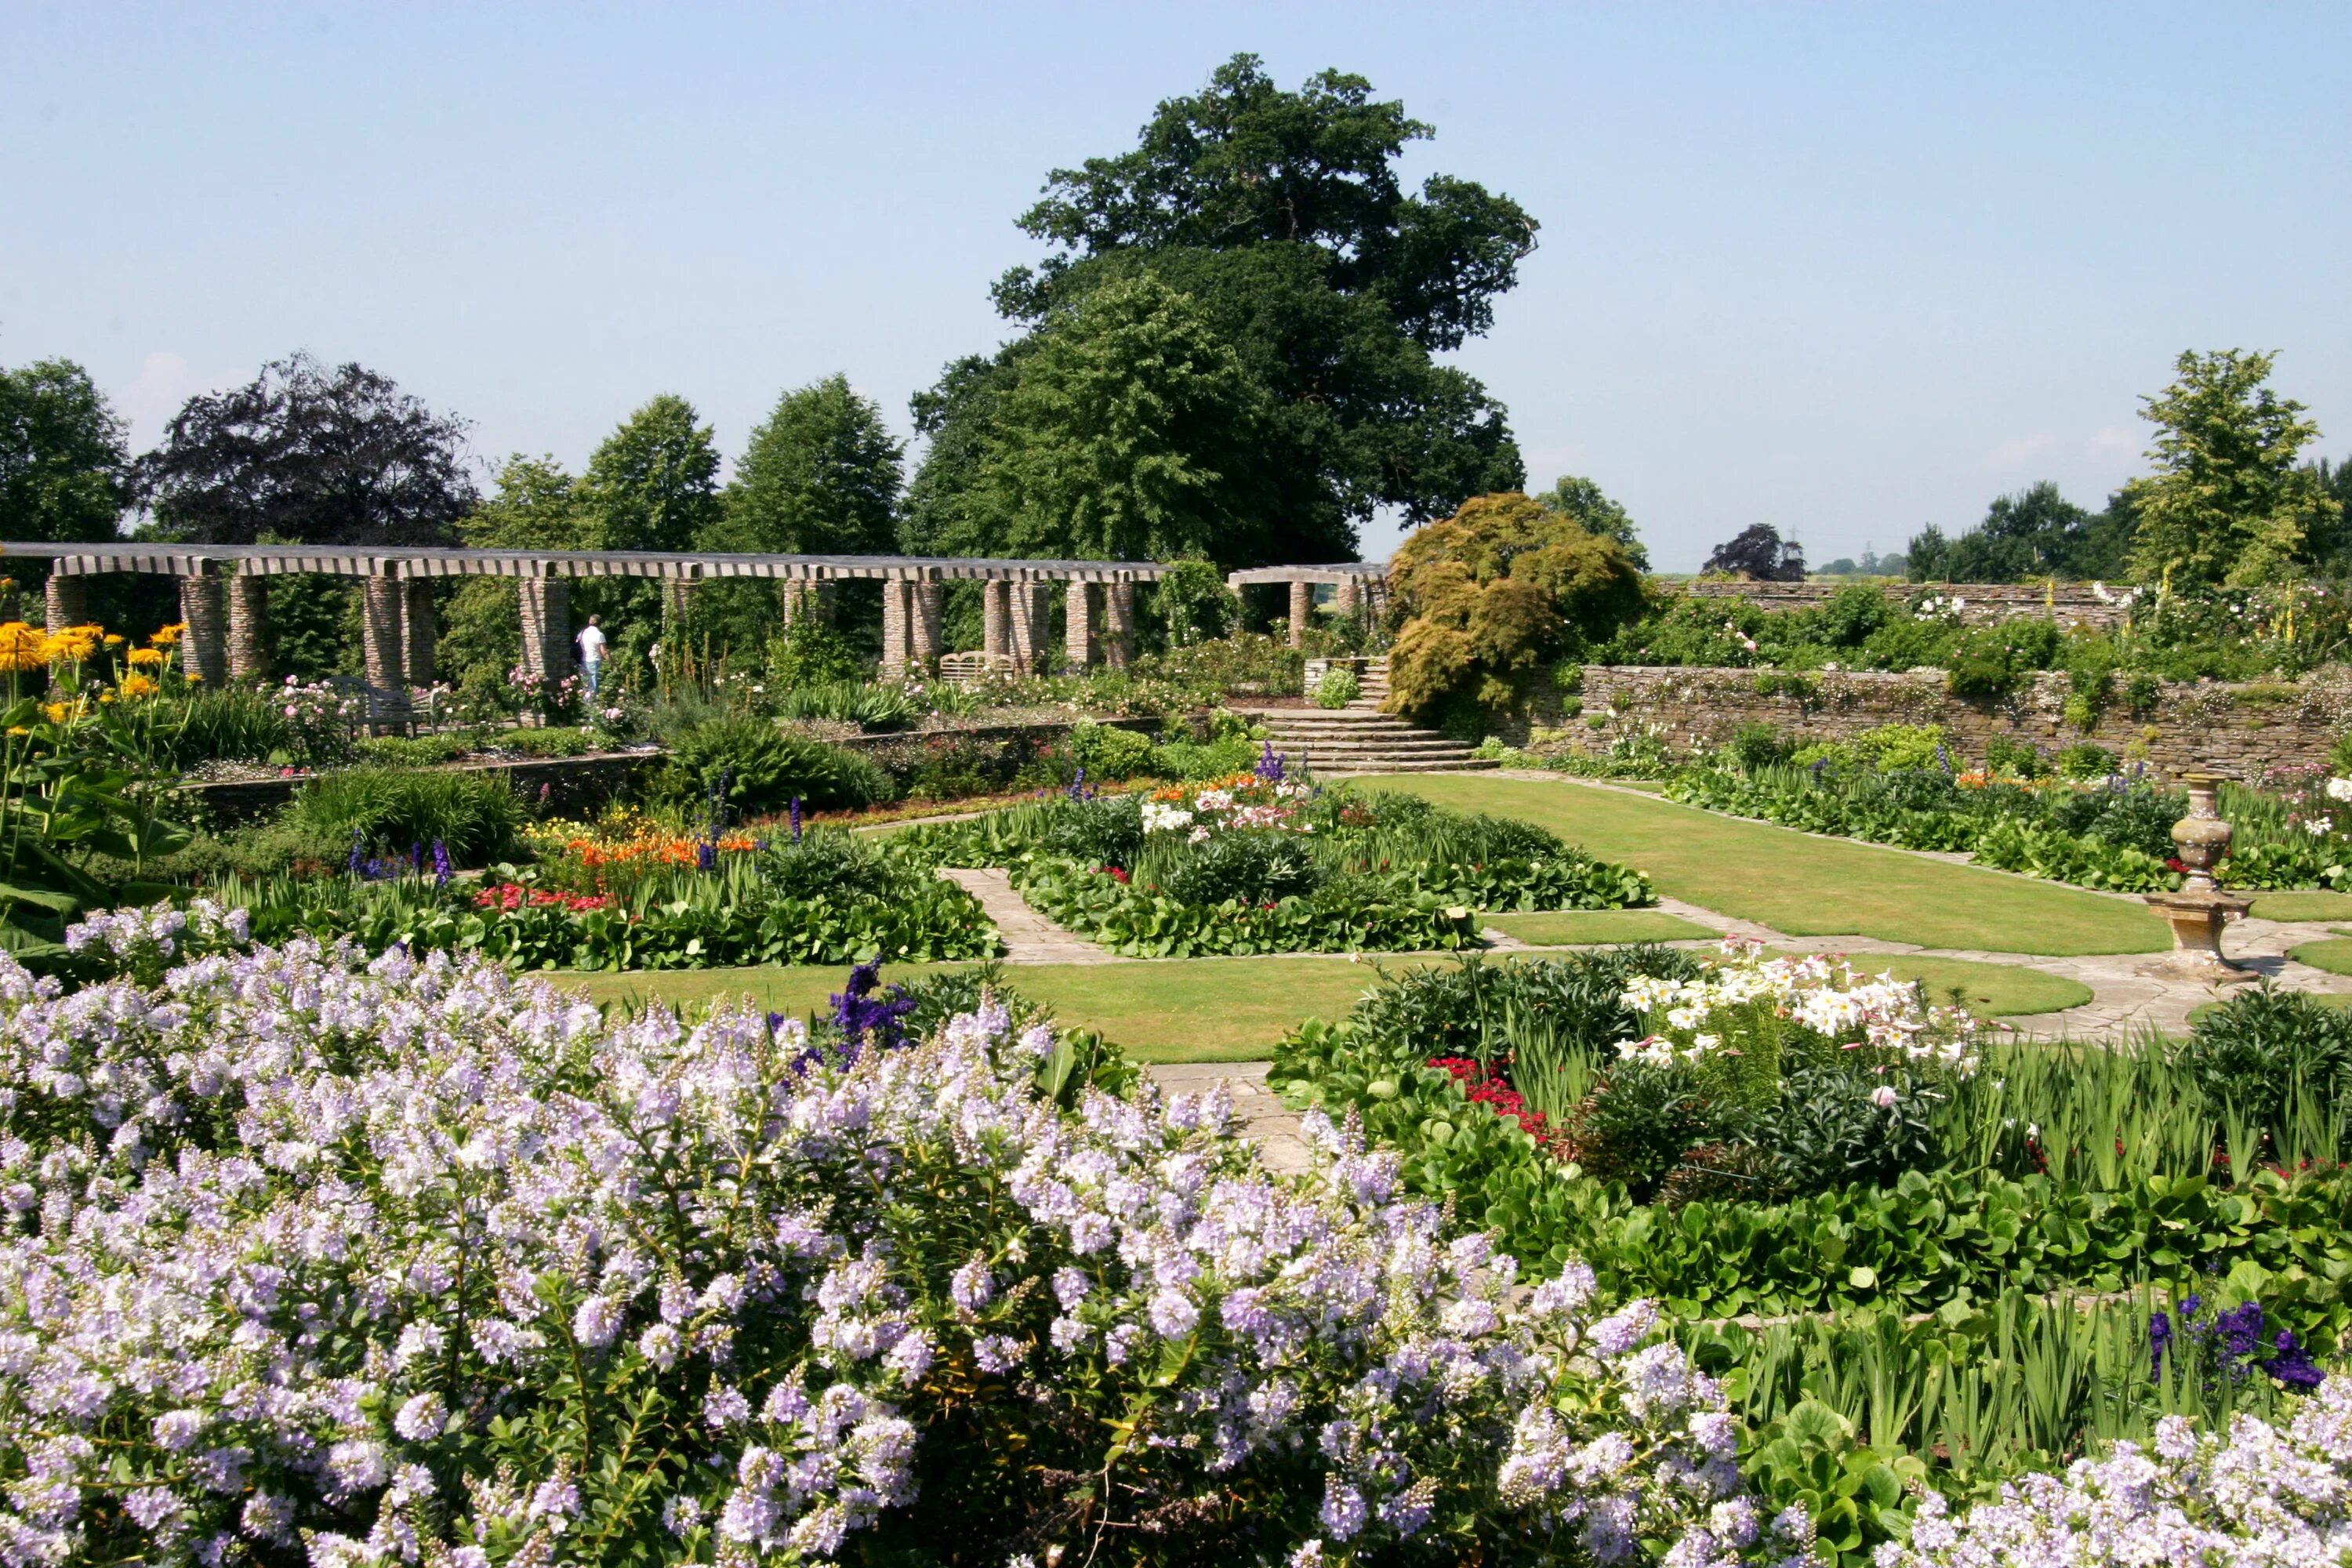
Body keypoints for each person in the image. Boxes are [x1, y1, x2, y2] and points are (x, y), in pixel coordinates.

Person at [575, 614, 607, 695]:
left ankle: (586, 703)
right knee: (594, 686)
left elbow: (577, 642)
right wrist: (613, 664)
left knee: (586, 684)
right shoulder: (599, 635)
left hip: (584, 660)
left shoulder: (583, 632)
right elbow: (604, 652)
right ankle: (593, 704)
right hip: (594, 661)